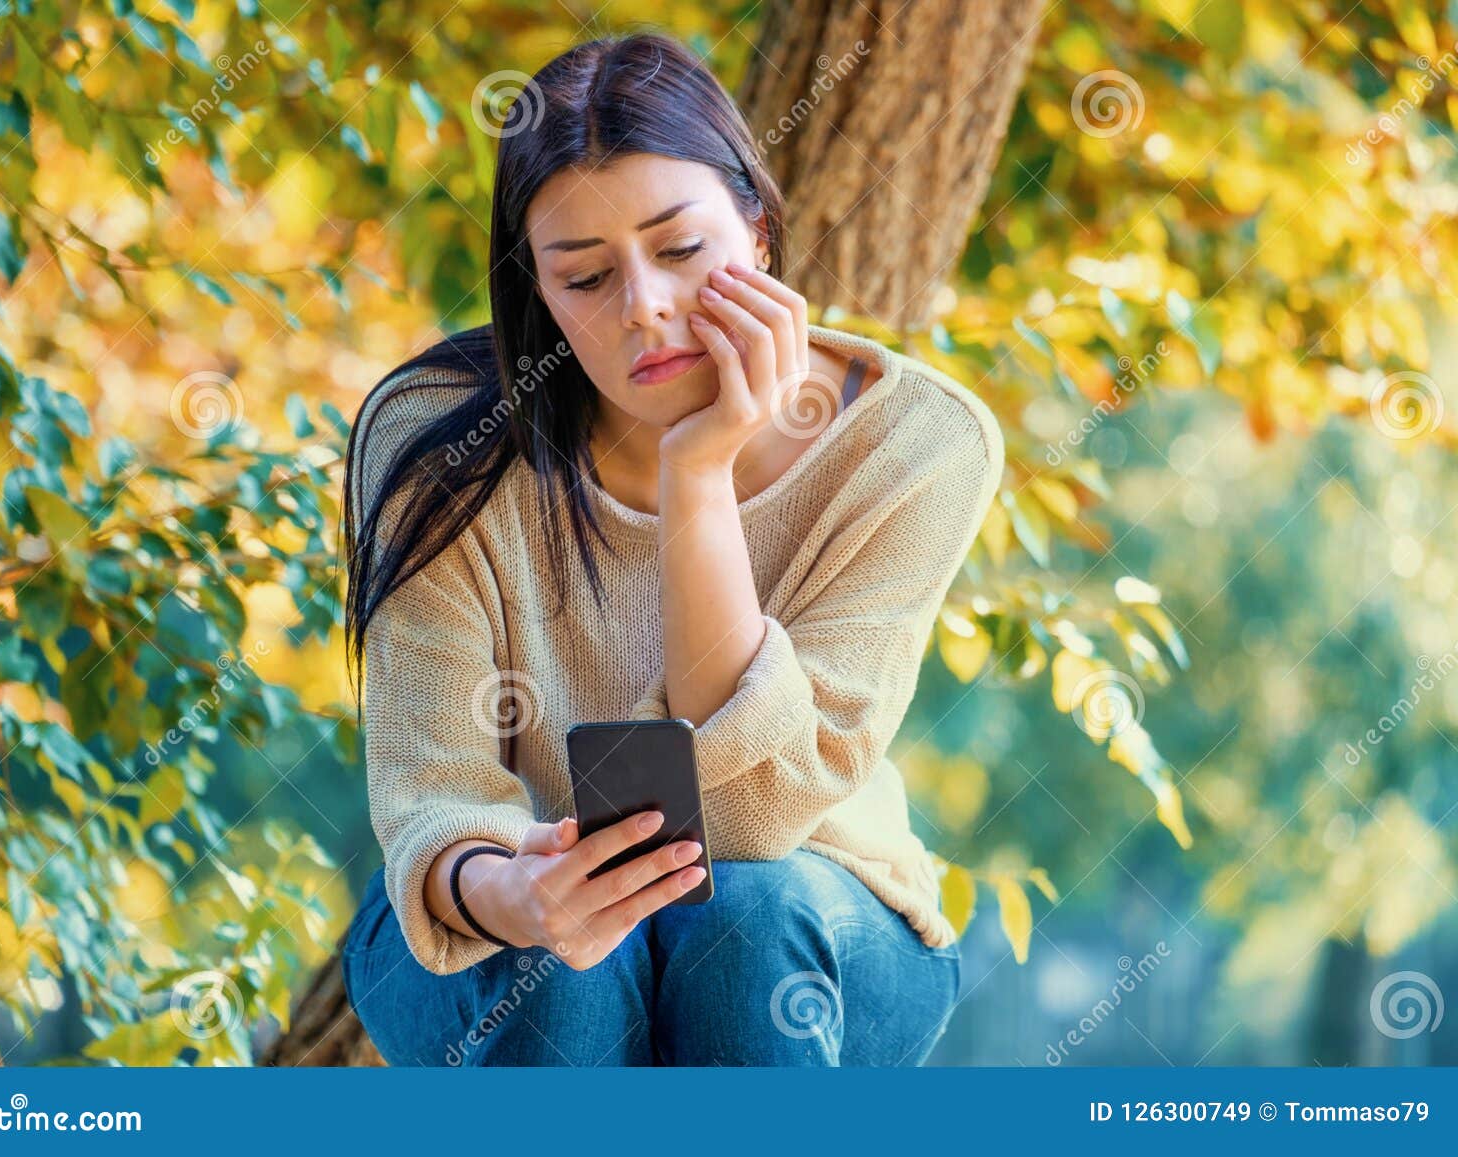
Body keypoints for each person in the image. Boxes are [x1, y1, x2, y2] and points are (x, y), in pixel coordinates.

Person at [337, 29, 1003, 1066]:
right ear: (536, 295)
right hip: (497, 920)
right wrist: (520, 891)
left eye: (682, 250)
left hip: (813, 923)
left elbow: (757, 811)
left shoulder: (914, 444)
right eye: (584, 277)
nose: (645, 308)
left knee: (741, 917)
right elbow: (433, 788)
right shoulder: (438, 441)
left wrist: (700, 476)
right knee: (565, 962)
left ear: (760, 232)